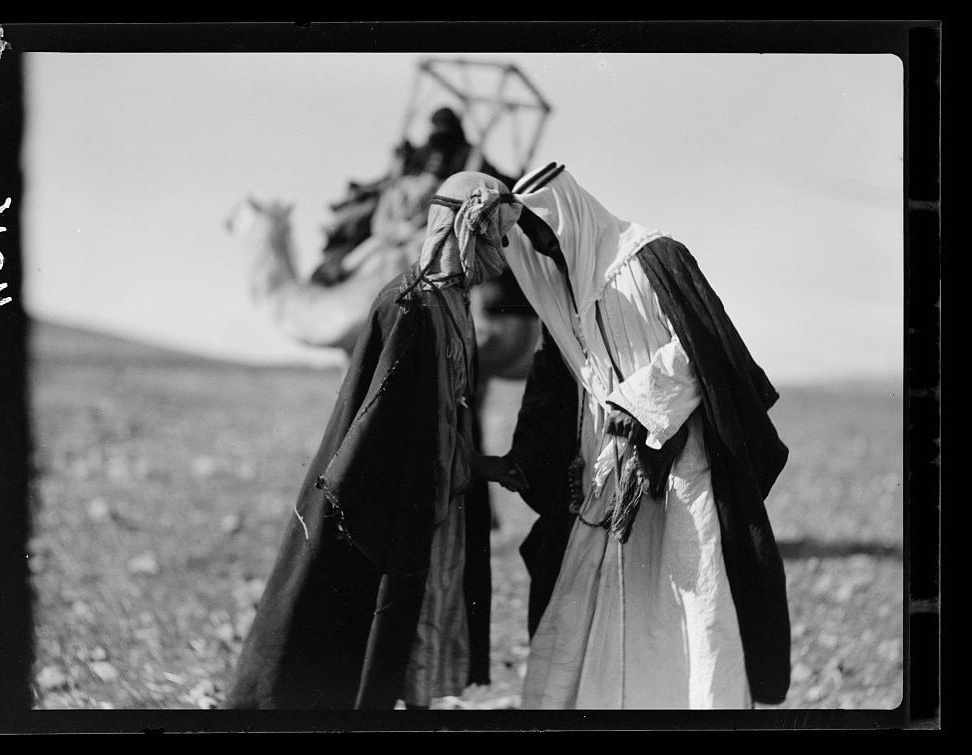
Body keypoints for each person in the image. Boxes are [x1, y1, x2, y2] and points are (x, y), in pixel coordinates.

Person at [485, 163, 791, 709]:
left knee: (694, 601)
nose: (542, 247)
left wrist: (639, 400)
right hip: (608, 473)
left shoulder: (655, 256)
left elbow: (706, 346)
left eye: (544, 231)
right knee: (590, 602)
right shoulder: (564, 300)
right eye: (530, 239)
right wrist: (532, 461)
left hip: (681, 468)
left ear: (571, 217)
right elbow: (558, 389)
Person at [226, 171, 526, 710]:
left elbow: (449, 417)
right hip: (393, 509)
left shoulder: (456, 306)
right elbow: (377, 430)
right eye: (492, 239)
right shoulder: (405, 307)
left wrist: (481, 467)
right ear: (460, 231)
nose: (500, 257)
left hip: (442, 508)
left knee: (418, 637)